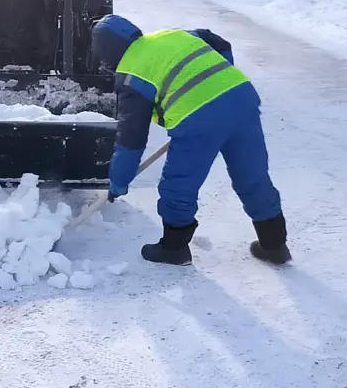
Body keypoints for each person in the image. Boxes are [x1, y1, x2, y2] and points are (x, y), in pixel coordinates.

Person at [91, 15, 290, 267]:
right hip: (241, 97)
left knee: (179, 183)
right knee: (252, 176)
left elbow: (131, 140)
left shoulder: (131, 72)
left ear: (107, 53)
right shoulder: (170, 34)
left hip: (198, 119)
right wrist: (216, 82)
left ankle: (174, 248)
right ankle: (274, 244)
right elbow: (220, 43)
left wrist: (118, 182)